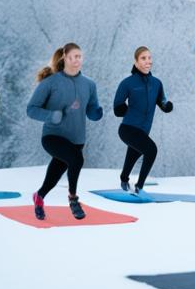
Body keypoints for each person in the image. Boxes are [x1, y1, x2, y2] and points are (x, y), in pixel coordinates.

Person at [25, 43, 102, 220]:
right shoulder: (50, 83)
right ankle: (73, 199)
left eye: (79, 56)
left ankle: (39, 196)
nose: (76, 60)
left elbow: (91, 110)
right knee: (77, 159)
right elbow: (31, 109)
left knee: (55, 173)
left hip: (76, 139)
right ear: (64, 59)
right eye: (72, 57)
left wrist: (96, 113)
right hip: (53, 136)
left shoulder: (89, 84)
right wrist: (53, 116)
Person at [113, 46, 172, 196]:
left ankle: (123, 178)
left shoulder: (157, 83)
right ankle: (139, 187)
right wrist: (123, 109)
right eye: (143, 58)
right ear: (136, 62)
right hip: (128, 128)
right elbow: (117, 107)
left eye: (149, 58)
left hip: (143, 131)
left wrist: (167, 106)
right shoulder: (127, 83)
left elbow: (162, 102)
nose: (148, 61)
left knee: (134, 153)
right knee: (151, 150)